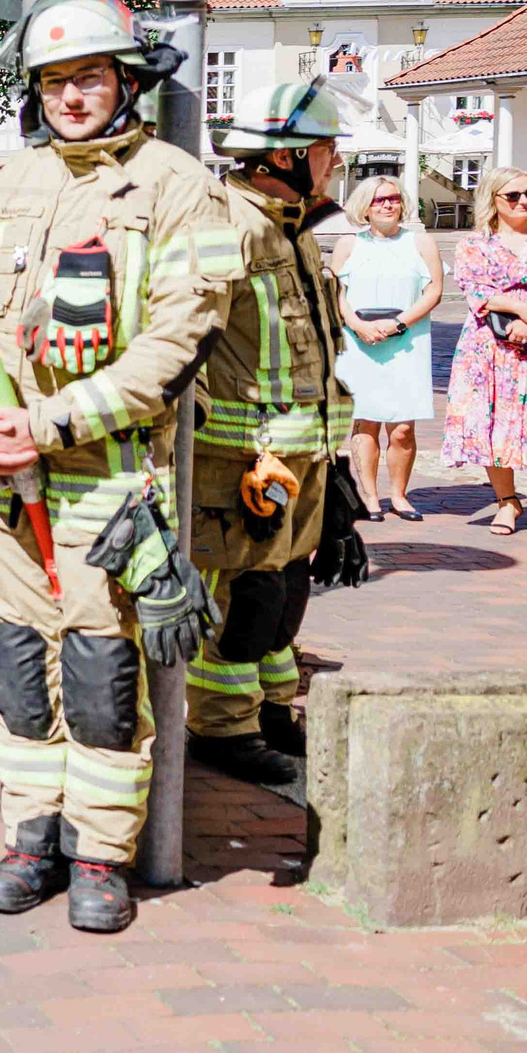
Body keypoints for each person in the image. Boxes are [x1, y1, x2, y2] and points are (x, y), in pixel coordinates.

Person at [0, 0, 237, 934]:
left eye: (90, 76)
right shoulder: (3, 185)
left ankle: (101, 851)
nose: (72, 96)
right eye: (55, 80)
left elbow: (181, 337)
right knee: (18, 664)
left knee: (105, 676)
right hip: (0, 485)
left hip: (108, 485)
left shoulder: (177, 184)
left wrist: (55, 422)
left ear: (127, 81)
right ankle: (31, 839)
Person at [185, 83, 355, 786]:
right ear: (283, 156)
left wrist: (332, 460)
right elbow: (187, 338)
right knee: (244, 592)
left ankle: (271, 708)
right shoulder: (228, 224)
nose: (334, 159)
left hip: (303, 449)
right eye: (323, 148)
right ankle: (220, 725)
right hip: (242, 457)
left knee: (286, 587)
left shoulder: (294, 223)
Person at [441, 166, 527, 538]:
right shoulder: (474, 244)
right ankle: (507, 502)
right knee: (493, 420)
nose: (524, 201)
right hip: (490, 345)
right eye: (513, 195)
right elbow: (476, 290)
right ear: (493, 199)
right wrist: (523, 311)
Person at [331, 173, 440, 522]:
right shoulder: (350, 244)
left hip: (407, 342)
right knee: (366, 423)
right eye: (379, 200)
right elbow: (336, 293)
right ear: (365, 206)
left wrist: (400, 323)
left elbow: (434, 290)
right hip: (360, 342)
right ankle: (370, 496)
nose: (388, 205)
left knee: (403, 426)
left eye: (393, 198)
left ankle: (400, 495)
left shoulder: (421, 243)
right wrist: (358, 326)